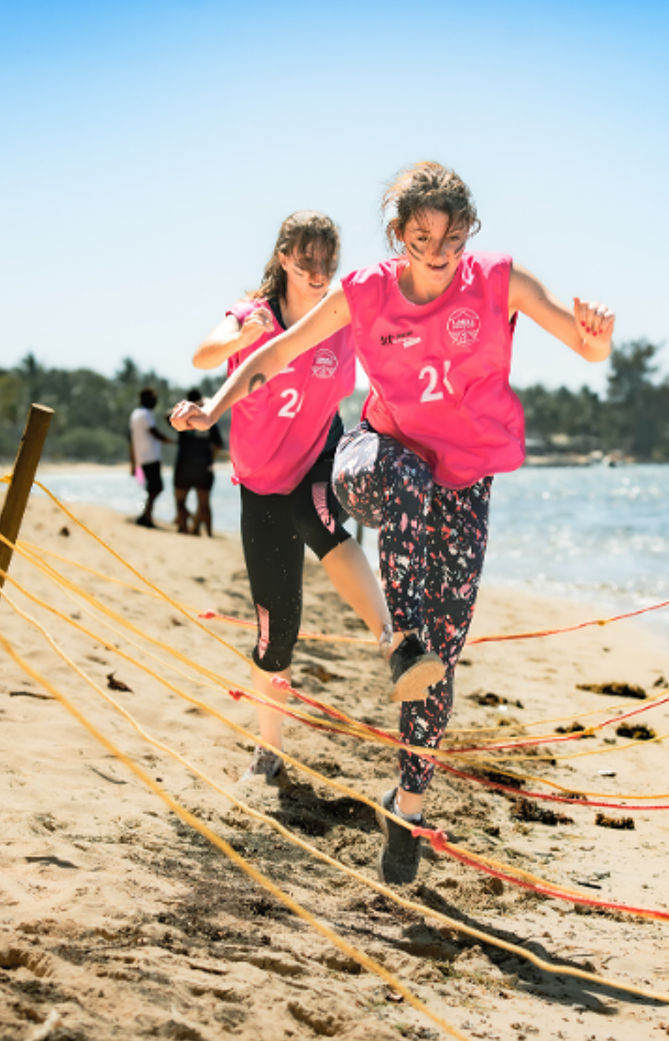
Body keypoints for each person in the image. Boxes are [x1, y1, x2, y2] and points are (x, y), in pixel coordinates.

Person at [174, 164, 614, 884]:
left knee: (445, 652)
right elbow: (277, 352)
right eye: (421, 239)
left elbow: (588, 347)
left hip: (464, 482)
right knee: (401, 482)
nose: (438, 253)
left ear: (469, 233)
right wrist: (211, 409)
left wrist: (596, 336)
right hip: (374, 462)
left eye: (452, 238)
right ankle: (398, 639)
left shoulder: (500, 280)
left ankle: (406, 806)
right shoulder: (366, 290)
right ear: (397, 235)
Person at [181, 211, 394, 785]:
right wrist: (238, 339)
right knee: (276, 632)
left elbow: (398, 342)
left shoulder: (342, 315)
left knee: (317, 517)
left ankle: (391, 639)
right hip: (260, 486)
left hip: (322, 458)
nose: (319, 272)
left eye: (328, 260)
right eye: (306, 260)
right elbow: (204, 355)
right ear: (283, 259)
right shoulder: (253, 315)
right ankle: (268, 751)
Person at [172, 388, 224, 536]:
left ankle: (185, 530)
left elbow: (167, 416)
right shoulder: (207, 419)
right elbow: (218, 445)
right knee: (204, 504)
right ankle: (207, 533)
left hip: (184, 465)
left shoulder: (180, 417)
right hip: (203, 466)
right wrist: (211, 459)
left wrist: (182, 408)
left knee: (180, 501)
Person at [127, 388, 172, 528]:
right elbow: (155, 433)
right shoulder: (145, 414)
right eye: (154, 398)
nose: (155, 401)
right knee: (156, 488)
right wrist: (173, 441)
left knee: (153, 488)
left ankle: (146, 516)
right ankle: (146, 517)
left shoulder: (135, 414)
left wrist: (133, 462)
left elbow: (131, 439)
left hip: (143, 457)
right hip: (150, 457)